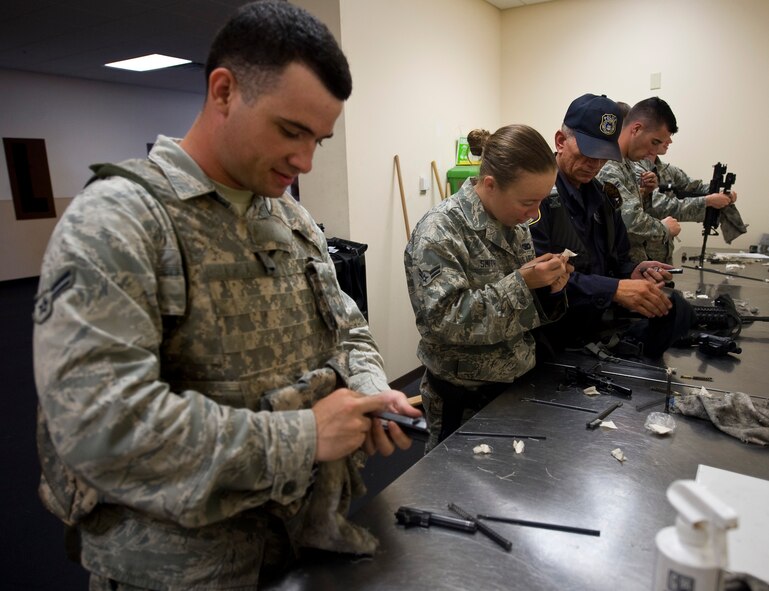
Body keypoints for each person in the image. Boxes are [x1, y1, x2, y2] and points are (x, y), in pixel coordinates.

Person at [32, 2, 420, 588]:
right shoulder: (118, 221)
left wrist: (369, 387)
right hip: (183, 565)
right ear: (223, 92)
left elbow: (347, 329)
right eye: (291, 131)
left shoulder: (289, 215)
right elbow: (100, 427)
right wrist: (305, 436)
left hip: (299, 537)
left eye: (318, 138)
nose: (305, 160)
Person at [404, 124, 571, 451]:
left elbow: (520, 312)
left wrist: (548, 289)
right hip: (463, 399)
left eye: (541, 201)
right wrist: (523, 285)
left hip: (515, 385)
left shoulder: (514, 223)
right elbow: (443, 322)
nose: (533, 214)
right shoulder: (439, 233)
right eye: (528, 202)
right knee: (453, 491)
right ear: (491, 185)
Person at [529, 94, 694, 358]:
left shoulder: (603, 197)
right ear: (561, 141)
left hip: (599, 326)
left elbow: (617, 261)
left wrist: (635, 272)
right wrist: (614, 289)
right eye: (587, 153)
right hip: (556, 332)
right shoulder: (535, 198)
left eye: (603, 156)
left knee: (677, 309)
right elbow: (540, 280)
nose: (594, 165)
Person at [596, 97, 683, 264]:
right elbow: (629, 220)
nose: (655, 150)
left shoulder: (627, 163)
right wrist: (664, 228)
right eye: (654, 142)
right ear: (636, 129)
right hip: (618, 271)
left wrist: (645, 194)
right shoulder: (609, 167)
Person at [632, 139, 740, 262]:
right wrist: (708, 201)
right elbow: (660, 206)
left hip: (664, 254)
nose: (670, 141)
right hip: (640, 256)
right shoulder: (635, 171)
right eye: (665, 135)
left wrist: (723, 192)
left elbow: (695, 187)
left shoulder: (668, 171)